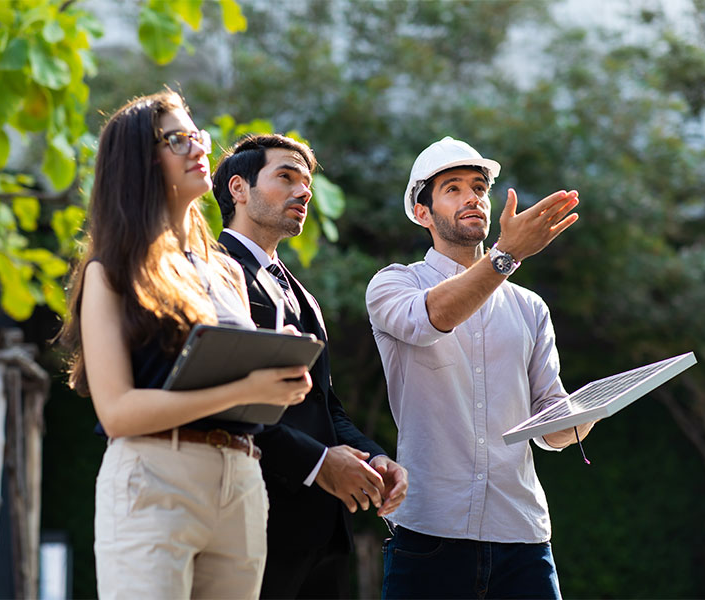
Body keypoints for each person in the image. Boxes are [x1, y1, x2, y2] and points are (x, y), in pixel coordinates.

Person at [59, 92, 314, 599]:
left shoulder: (225, 270)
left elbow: (236, 384)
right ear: (138, 161)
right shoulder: (110, 270)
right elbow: (118, 412)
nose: (199, 147)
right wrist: (246, 385)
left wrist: (276, 372)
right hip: (154, 476)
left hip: (241, 477)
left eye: (197, 136)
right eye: (178, 139)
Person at [366, 136, 597, 599]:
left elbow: (551, 431)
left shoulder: (530, 307)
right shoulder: (394, 284)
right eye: (453, 188)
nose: (472, 197)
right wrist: (506, 256)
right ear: (421, 213)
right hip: (429, 532)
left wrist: (590, 411)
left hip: (523, 536)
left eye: (479, 187)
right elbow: (436, 318)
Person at [212, 134, 409, 599]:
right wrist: (318, 463)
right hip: (251, 521)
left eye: (308, 183)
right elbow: (223, 402)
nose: (304, 192)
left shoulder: (303, 294)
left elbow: (325, 406)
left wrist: (373, 456)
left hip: (324, 534)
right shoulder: (213, 272)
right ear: (238, 188)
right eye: (286, 177)